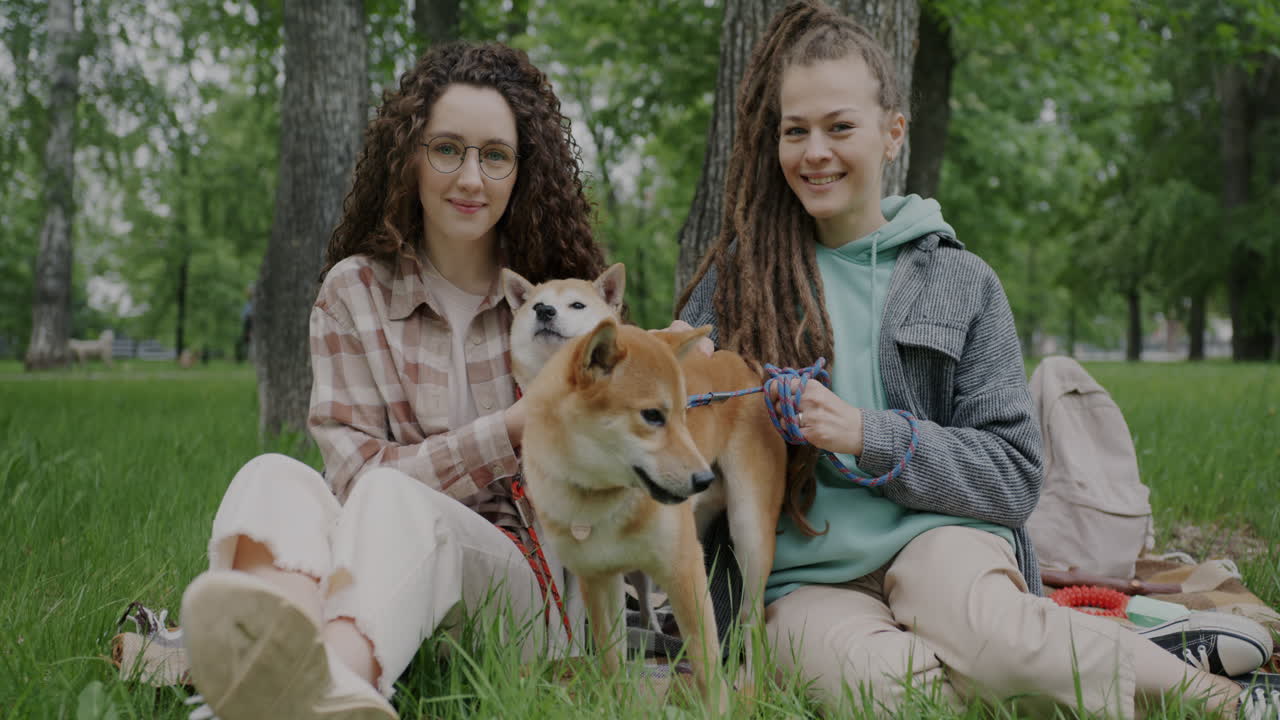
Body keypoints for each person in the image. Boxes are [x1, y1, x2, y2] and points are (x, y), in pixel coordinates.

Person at [673, 2, 1274, 718]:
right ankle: (1096, 653)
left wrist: (870, 435)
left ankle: (1216, 699)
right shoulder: (737, 281)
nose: (814, 152)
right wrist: (679, 384)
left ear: (893, 132)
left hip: (939, 542)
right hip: (799, 586)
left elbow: (1015, 475)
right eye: (794, 131)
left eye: (840, 127)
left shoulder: (960, 280)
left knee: (1004, 649)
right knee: (887, 698)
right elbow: (675, 453)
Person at [179, 41, 607, 720]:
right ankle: (264, 671)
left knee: (398, 494)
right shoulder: (354, 293)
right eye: (447, 149)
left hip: (518, 603)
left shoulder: (560, 304)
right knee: (271, 474)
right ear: (409, 155)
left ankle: (340, 679)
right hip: (378, 568)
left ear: (522, 172)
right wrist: (511, 431)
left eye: (495, 156)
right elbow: (352, 483)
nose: (471, 177)